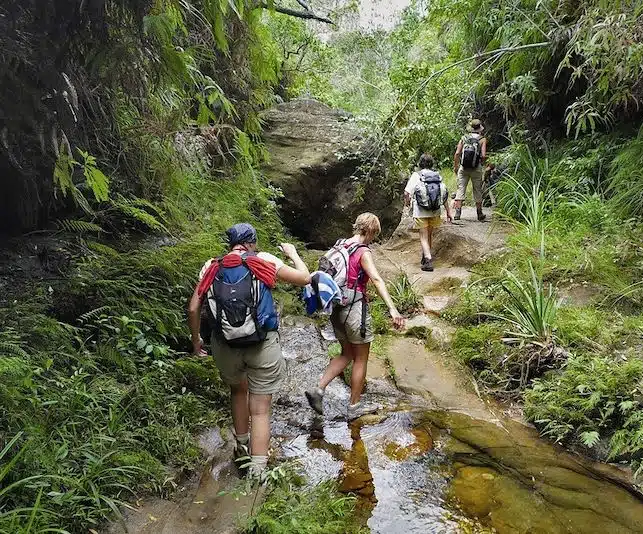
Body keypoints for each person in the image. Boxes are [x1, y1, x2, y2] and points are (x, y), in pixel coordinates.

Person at [188, 223, 311, 477]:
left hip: (225, 345)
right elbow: (305, 279)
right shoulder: (263, 260)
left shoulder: (212, 266)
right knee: (261, 409)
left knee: (237, 391)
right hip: (261, 344)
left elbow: (193, 309)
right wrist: (293, 254)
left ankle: (241, 447)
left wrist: (197, 341)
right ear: (252, 242)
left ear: (230, 243)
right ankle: (258, 471)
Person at [305, 213, 405, 420]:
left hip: (336, 309)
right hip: (354, 310)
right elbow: (376, 280)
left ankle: (319, 389)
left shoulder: (339, 246)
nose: (373, 240)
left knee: (347, 353)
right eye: (373, 235)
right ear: (368, 231)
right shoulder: (362, 252)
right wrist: (393, 310)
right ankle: (354, 407)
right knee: (361, 359)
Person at [404, 153, 452, 272]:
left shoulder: (417, 175)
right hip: (435, 211)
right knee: (429, 235)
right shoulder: (437, 176)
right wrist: (448, 212)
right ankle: (426, 256)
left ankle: (428, 259)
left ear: (420, 163)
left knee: (423, 237)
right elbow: (444, 195)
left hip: (421, 211)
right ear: (432, 163)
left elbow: (406, 192)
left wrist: (407, 202)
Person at [453, 119, 488, 222]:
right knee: (477, 189)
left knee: (460, 189)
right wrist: (481, 163)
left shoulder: (464, 138)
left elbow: (457, 153)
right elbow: (484, 155)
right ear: (480, 128)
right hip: (476, 168)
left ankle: (458, 213)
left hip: (463, 167)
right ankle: (479, 213)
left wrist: (456, 166)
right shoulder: (482, 139)